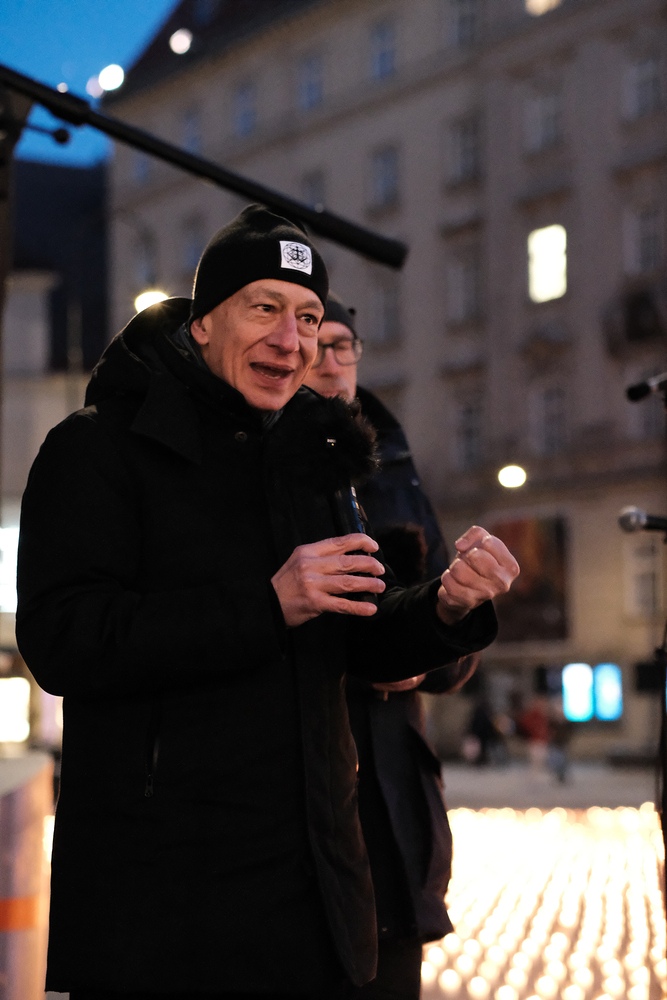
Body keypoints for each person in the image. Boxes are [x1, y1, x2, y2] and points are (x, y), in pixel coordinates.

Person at [16, 206, 519, 1000]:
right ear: (204, 322)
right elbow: (62, 639)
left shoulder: (312, 457)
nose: (291, 340)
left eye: (309, 318)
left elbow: (356, 635)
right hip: (164, 903)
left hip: (314, 893)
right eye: (265, 308)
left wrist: (445, 609)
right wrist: (265, 603)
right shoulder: (97, 446)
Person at [303, 294, 481, 1000]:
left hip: (396, 796)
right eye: (315, 344)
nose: (330, 363)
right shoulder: (262, 465)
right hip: (310, 787)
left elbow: (448, 645)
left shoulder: (395, 463)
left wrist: (447, 625)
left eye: (343, 346)